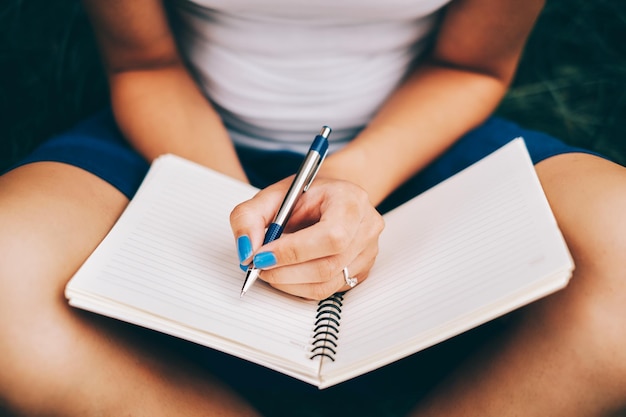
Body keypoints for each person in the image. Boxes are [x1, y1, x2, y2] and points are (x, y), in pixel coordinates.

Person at [1, 0, 626, 415]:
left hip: (422, 138)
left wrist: (352, 180)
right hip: (173, 134)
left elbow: (470, 66)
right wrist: (235, 202)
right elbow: (145, 65)